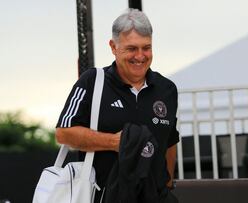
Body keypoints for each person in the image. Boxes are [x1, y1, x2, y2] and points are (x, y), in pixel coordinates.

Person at [55, 8, 179, 202]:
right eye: (131, 48)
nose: (140, 56)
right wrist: (114, 143)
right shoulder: (92, 81)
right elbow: (64, 133)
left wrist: (168, 184)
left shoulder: (167, 89)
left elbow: (170, 140)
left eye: (146, 47)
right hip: (102, 195)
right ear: (113, 47)